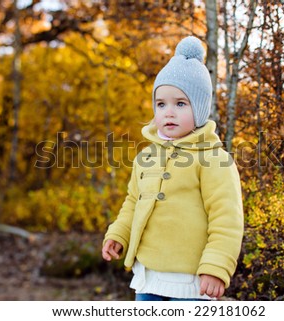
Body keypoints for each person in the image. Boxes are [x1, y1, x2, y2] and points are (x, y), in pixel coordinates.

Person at [101, 36, 244, 301]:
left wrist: (215, 267)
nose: (168, 112)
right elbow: (134, 202)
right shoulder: (147, 157)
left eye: (180, 104)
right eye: (161, 104)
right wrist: (119, 233)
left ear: (200, 110)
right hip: (149, 276)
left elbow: (227, 219)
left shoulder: (214, 159)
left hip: (192, 281)